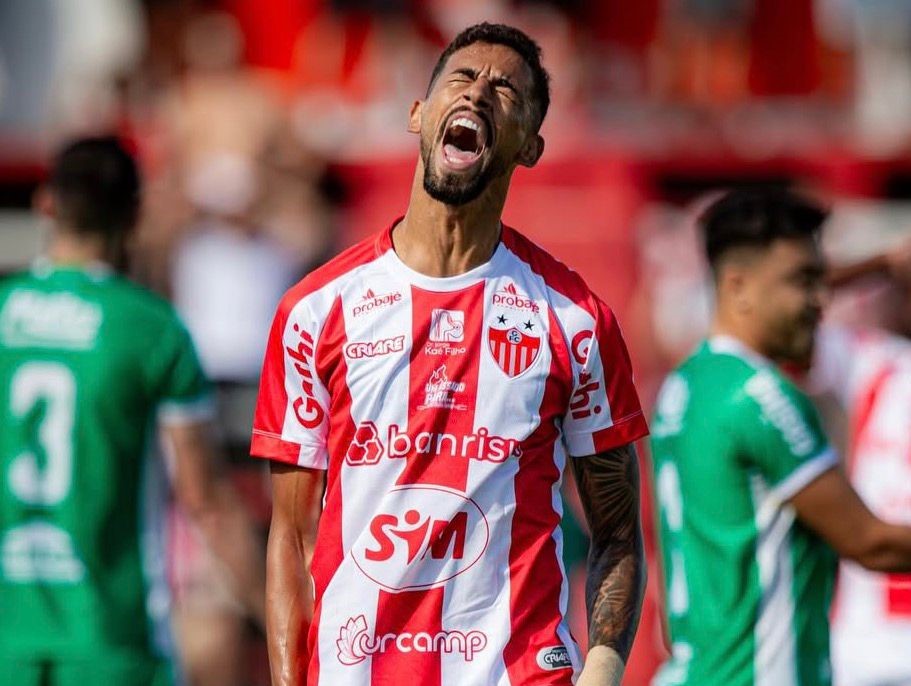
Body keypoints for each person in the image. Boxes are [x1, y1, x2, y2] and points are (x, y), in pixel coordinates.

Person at [252, 22, 649, 686]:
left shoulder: (574, 320)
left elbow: (616, 532)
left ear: (530, 147)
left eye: (506, 90)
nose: (479, 92)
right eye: (462, 77)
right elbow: (291, 540)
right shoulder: (315, 312)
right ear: (418, 113)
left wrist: (603, 669)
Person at [0, 137, 265, 686]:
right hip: (111, 641)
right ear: (135, 214)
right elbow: (207, 502)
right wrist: (279, 617)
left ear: (46, 204)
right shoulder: (151, 329)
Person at [649, 189, 911, 686]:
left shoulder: (686, 386)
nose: (820, 300)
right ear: (738, 286)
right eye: (802, 281)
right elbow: (870, 542)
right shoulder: (762, 398)